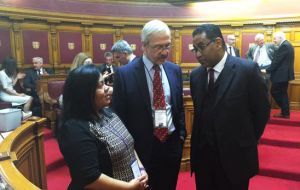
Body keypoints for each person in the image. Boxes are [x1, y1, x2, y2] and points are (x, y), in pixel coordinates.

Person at [190, 24, 270, 190]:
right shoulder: (196, 76)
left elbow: (261, 112)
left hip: (235, 159)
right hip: (203, 161)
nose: (197, 54)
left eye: (201, 47)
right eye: (194, 49)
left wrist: (244, 141)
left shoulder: (247, 71)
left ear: (218, 42)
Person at [112, 19, 186, 190]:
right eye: (158, 47)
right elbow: (119, 116)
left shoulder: (174, 70)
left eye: (167, 46)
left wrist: (181, 136)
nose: (164, 52)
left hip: (171, 145)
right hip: (141, 149)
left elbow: (178, 107)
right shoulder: (125, 74)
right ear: (144, 46)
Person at [58, 64, 148, 190]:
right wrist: (127, 187)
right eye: (101, 85)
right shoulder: (74, 129)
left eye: (105, 83)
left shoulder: (107, 112)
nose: (108, 89)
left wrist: (141, 169)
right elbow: (90, 178)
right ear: (84, 93)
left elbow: (129, 145)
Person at [267, 31, 294, 118]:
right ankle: (285, 113)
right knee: (282, 93)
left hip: (281, 76)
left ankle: (285, 111)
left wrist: (268, 70)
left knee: (275, 92)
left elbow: (277, 61)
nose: (274, 40)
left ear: (280, 37)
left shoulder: (284, 46)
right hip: (283, 75)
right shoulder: (288, 45)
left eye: (275, 38)